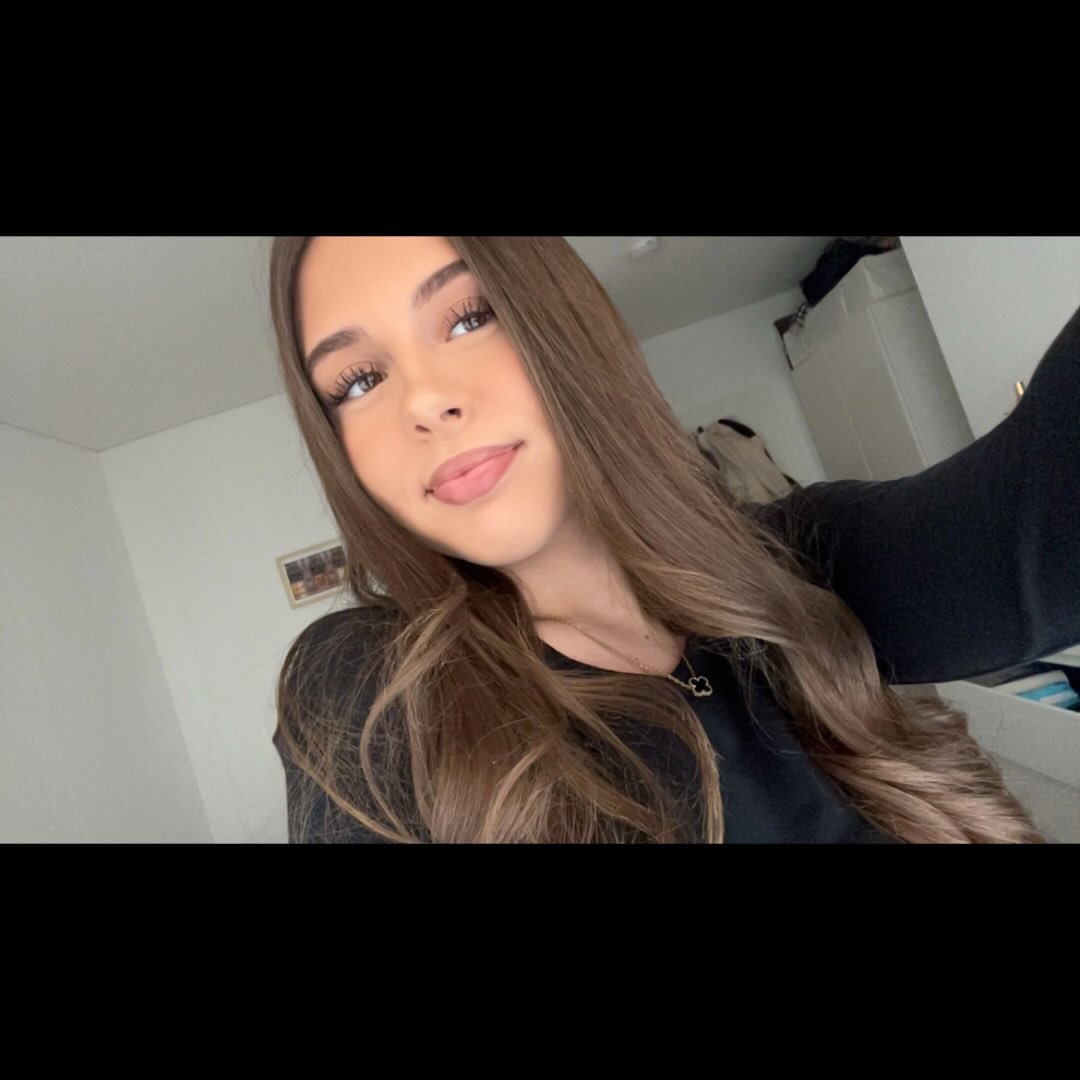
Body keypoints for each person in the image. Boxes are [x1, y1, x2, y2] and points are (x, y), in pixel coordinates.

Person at [268, 236, 1080, 844]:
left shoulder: (794, 561)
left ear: (565, 328)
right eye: (358, 381)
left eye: (469, 317)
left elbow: (1034, 526)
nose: (423, 401)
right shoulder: (371, 683)